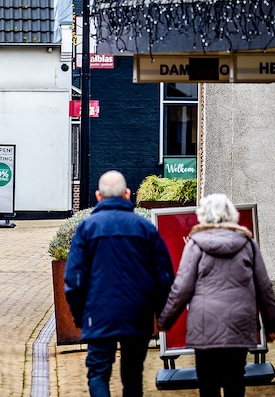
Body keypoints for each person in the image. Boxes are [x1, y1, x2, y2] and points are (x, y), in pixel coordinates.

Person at [64, 170, 174, 397]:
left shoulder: (87, 229)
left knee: (98, 373)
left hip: (98, 313)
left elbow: (74, 279)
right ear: (127, 194)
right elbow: (164, 276)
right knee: (133, 376)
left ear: (98, 196)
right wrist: (162, 315)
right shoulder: (145, 228)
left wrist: (80, 315)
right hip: (138, 313)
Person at [158, 194, 275, 397]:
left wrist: (166, 320)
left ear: (203, 215)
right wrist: (272, 325)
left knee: (207, 382)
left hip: (205, 324)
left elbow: (182, 288)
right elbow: (264, 287)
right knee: (235, 379)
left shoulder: (195, 244)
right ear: (231, 215)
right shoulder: (248, 244)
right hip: (239, 323)